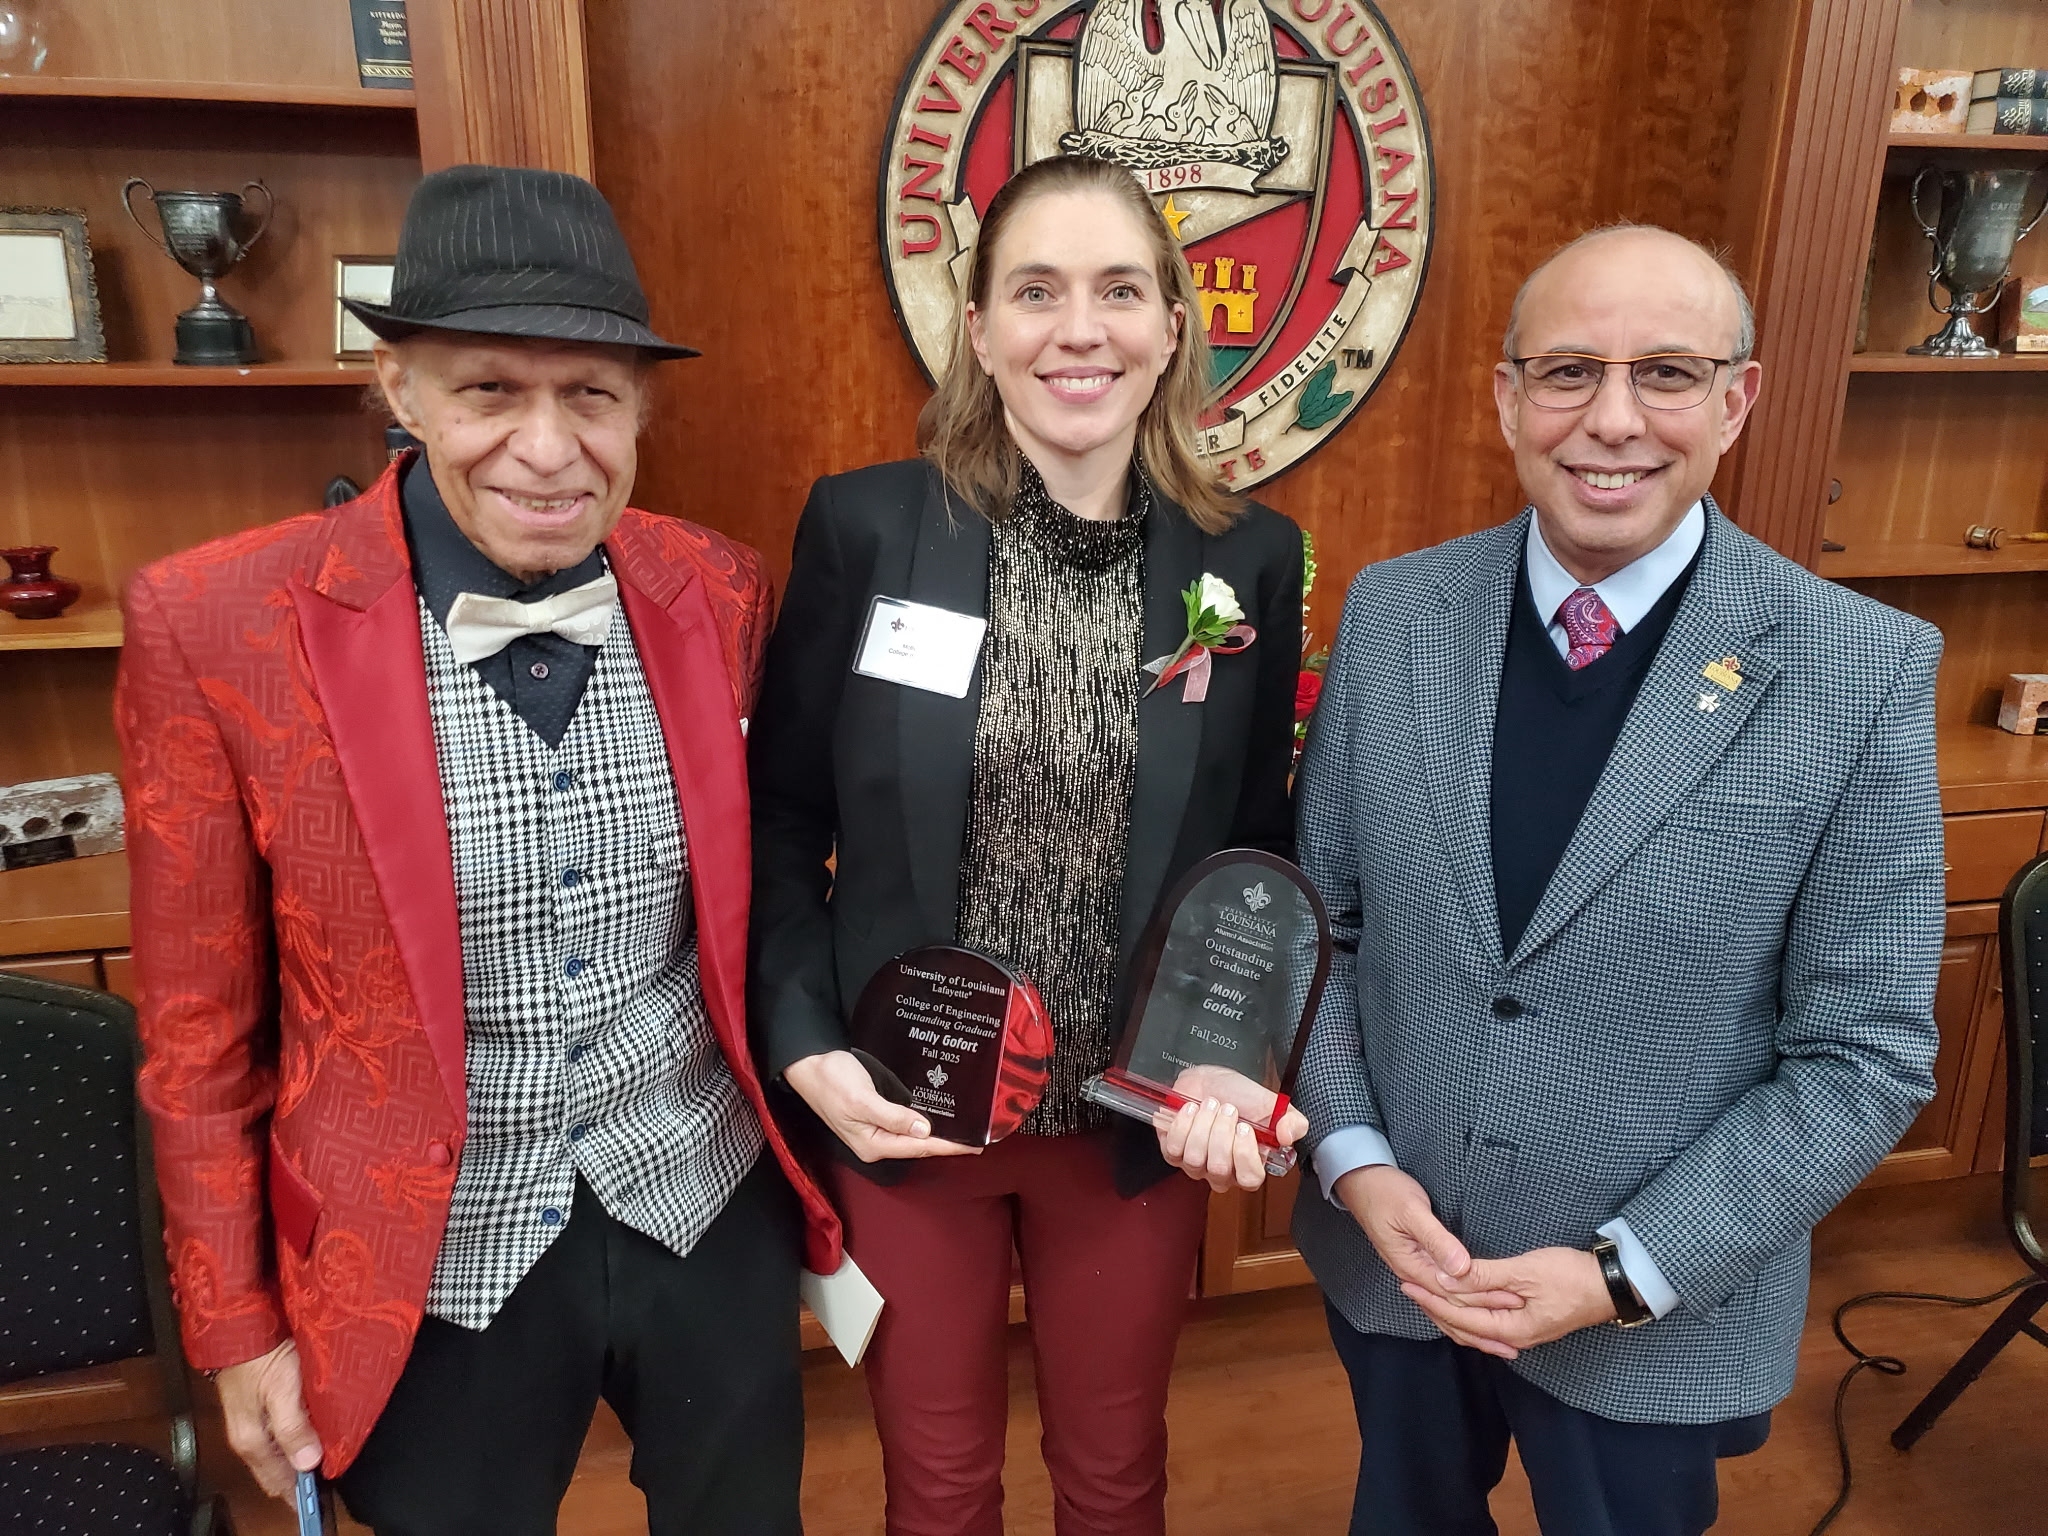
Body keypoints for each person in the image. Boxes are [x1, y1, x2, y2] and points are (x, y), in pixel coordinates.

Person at [115, 164, 839, 1536]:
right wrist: (234, 1326)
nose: (549, 448)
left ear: (643, 408)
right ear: (401, 392)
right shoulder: (214, 624)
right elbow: (196, 1035)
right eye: (490, 390)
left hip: (698, 1192)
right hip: (422, 1251)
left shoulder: (721, 588)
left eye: (592, 395)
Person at [1291, 224, 1945, 1536]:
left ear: (1735, 401)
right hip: (1399, 1262)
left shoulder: (1856, 670)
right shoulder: (1395, 613)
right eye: (1568, 372)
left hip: (1654, 1309)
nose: (1612, 420)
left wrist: (1620, 1272)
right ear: (1506, 397)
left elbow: (1864, 1057)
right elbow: (1326, 928)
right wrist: (1358, 1165)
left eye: (1667, 374)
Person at [748, 153, 1306, 1535]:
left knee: (1115, 1479)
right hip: (909, 1106)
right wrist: (805, 1037)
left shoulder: (1249, 561)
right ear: (980, 326)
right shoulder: (869, 527)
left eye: (1120, 290)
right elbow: (781, 815)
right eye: (1037, 291)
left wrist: (1240, 1064)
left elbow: (1257, 846)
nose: (1080, 329)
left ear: (1171, 326)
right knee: (937, 1488)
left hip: (1128, 1130)